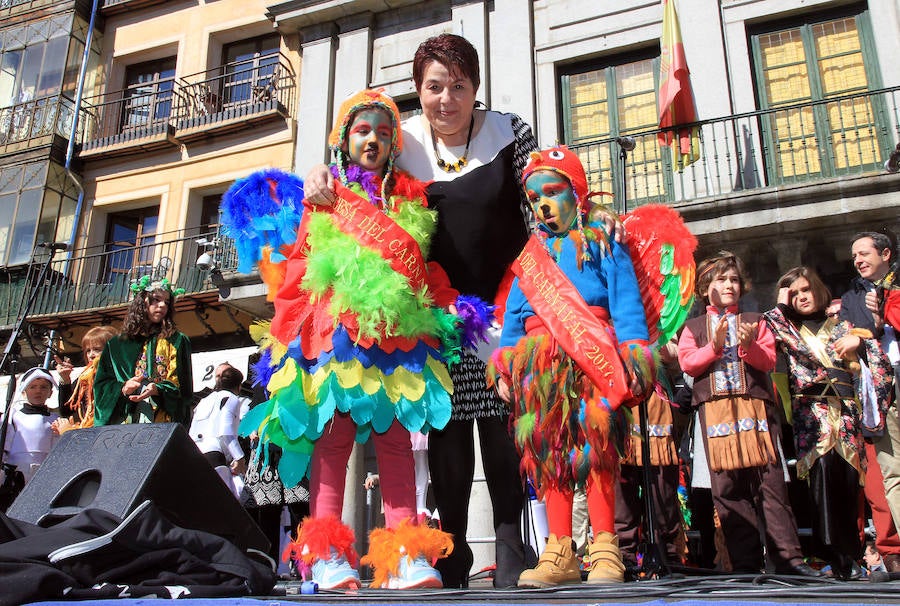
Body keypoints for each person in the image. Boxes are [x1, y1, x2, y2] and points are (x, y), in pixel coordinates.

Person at [303, 33, 538, 589]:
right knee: (448, 436)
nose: (446, 100)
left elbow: (546, 191)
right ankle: (448, 551)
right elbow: (355, 157)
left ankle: (510, 545)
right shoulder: (403, 139)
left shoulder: (511, 132)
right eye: (434, 87)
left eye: (459, 87)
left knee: (504, 437)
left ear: (475, 88)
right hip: (434, 315)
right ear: (418, 90)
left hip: (504, 308)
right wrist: (318, 171)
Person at [227, 89, 455, 590]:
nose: (372, 139)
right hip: (337, 336)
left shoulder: (409, 197)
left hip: (396, 336)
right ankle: (326, 555)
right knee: (333, 442)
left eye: (382, 131)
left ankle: (405, 555)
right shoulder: (325, 192)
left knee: (396, 443)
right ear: (343, 140)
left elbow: (417, 262)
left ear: (395, 143)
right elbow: (300, 264)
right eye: (361, 130)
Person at [488, 145, 658, 586]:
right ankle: (559, 549)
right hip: (539, 367)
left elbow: (626, 305)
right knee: (550, 454)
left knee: (596, 450)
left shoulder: (604, 242)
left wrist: (634, 349)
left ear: (577, 193)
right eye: (534, 198)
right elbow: (513, 319)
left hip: (592, 360)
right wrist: (505, 363)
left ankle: (604, 548)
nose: (543, 204)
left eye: (552, 191)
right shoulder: (530, 257)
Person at [677, 252, 819, 577]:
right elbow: (687, 363)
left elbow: (768, 361)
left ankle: (788, 561)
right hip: (715, 417)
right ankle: (745, 564)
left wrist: (749, 346)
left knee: (771, 486)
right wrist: (713, 346)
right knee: (727, 491)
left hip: (755, 413)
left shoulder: (756, 320)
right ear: (704, 287)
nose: (729, 285)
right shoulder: (693, 327)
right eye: (721, 279)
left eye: (734, 279)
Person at [763, 266, 865, 579]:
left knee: (850, 483)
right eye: (793, 293)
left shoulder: (842, 320)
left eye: (805, 290)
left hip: (846, 412)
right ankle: (828, 556)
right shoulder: (787, 327)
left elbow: (868, 348)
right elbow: (768, 322)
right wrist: (781, 302)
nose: (801, 297)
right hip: (813, 415)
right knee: (821, 482)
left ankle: (854, 555)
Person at [840, 232, 900, 530]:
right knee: (892, 471)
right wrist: (872, 329)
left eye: (863, 254)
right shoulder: (852, 297)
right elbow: (849, 332)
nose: (858, 260)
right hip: (881, 387)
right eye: (854, 256)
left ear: (885, 254)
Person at [615, 339, 684, 573]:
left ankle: (668, 556)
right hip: (619, 401)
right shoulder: (610, 312)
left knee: (662, 490)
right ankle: (625, 556)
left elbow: (674, 354)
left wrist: (653, 339)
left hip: (656, 406)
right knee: (623, 490)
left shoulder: (662, 315)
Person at [93, 277, 192, 426]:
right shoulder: (116, 345)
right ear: (142, 301)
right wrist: (124, 388)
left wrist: (158, 389)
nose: (161, 305)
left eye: (166, 302)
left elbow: (183, 389)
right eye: (156, 299)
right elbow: (102, 387)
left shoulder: (177, 341)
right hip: (125, 422)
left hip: (162, 420)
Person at [0, 367, 60, 511]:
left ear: (50, 392)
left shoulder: (55, 419)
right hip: (15, 475)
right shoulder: (13, 416)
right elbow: (4, 446)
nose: (38, 391)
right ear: (24, 390)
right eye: (33, 387)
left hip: (43, 475)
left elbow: (57, 450)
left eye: (43, 387)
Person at [189, 363, 248, 498]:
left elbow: (191, 431)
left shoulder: (204, 400)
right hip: (214, 456)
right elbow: (225, 431)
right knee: (223, 505)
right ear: (239, 386)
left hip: (194, 456)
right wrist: (239, 458)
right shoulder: (231, 398)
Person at [53, 325, 120, 433]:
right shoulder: (84, 379)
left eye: (97, 350)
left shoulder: (120, 376)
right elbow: (66, 412)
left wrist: (69, 430)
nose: (91, 355)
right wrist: (65, 380)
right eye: (88, 351)